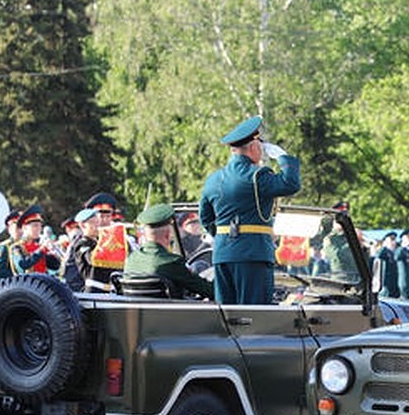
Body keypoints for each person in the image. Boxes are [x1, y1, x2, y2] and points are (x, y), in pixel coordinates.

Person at [199, 116, 301, 304]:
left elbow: (205, 218)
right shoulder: (257, 176)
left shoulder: (213, 179)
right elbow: (291, 183)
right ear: (254, 147)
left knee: (226, 316)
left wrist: (228, 236)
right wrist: (282, 157)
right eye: (260, 148)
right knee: (254, 316)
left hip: (222, 254)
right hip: (253, 253)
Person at [124, 204, 217, 300]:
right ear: (168, 235)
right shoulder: (171, 262)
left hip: (136, 313)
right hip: (174, 314)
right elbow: (209, 291)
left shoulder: (131, 260)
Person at [10, 205, 63, 275]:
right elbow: (23, 265)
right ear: (24, 227)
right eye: (35, 225)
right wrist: (41, 250)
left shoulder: (39, 246)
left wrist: (54, 254)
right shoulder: (17, 247)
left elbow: (55, 267)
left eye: (40, 226)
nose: (39, 229)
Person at [61, 208, 101, 292]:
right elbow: (92, 258)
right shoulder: (81, 244)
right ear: (83, 225)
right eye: (93, 222)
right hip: (86, 290)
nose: (97, 226)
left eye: (98, 222)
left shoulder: (98, 242)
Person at [0, 210, 22, 283]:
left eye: (22, 227)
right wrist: (18, 277)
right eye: (17, 227)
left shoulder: (26, 245)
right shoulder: (4, 247)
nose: (20, 231)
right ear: (9, 228)